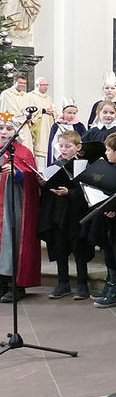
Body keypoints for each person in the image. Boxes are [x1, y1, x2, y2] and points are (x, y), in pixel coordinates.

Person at [38, 130, 92, 299]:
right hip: (58, 212)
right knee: (60, 247)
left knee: (79, 248)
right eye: (60, 146)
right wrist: (43, 183)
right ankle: (63, 283)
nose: (63, 149)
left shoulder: (83, 165)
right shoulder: (55, 165)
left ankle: (82, 283)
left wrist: (70, 192)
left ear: (78, 147)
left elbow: (87, 189)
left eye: (67, 146)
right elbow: (48, 188)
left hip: (76, 213)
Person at [0, 112, 41, 304]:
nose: (4, 132)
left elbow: (30, 177)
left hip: (12, 205)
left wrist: (17, 173)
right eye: (0, 128)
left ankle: (14, 284)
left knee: (12, 241)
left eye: (9, 129)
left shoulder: (22, 151)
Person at [91, 131, 116, 308]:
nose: (106, 153)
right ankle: (111, 283)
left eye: (108, 150)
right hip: (105, 218)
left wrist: (115, 209)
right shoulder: (111, 167)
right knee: (108, 254)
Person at [0, 75, 34, 152]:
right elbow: (11, 110)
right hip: (11, 126)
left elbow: (30, 108)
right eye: (20, 83)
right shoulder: (7, 94)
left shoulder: (26, 96)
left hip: (25, 126)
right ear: (15, 82)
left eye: (24, 83)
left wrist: (30, 116)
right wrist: (25, 118)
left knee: (26, 148)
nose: (23, 85)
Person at [27, 77, 55, 170]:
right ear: (37, 85)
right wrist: (42, 111)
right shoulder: (30, 96)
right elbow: (28, 111)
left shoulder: (49, 98)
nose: (46, 87)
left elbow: (54, 110)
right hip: (39, 128)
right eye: (43, 85)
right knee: (40, 150)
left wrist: (53, 112)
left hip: (48, 126)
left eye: (47, 85)